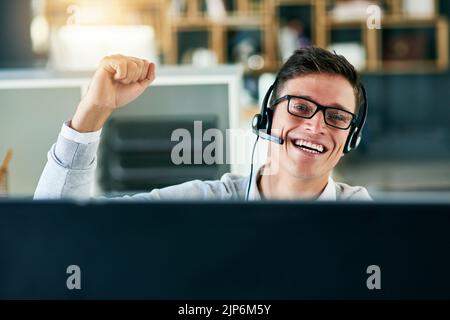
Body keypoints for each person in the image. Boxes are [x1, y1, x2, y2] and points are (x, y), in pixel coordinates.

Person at [34, 47, 371, 201]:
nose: (315, 126)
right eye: (300, 107)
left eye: (337, 117)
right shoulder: (203, 205)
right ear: (267, 115)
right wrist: (92, 111)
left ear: (350, 137)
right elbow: (60, 226)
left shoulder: (369, 222)